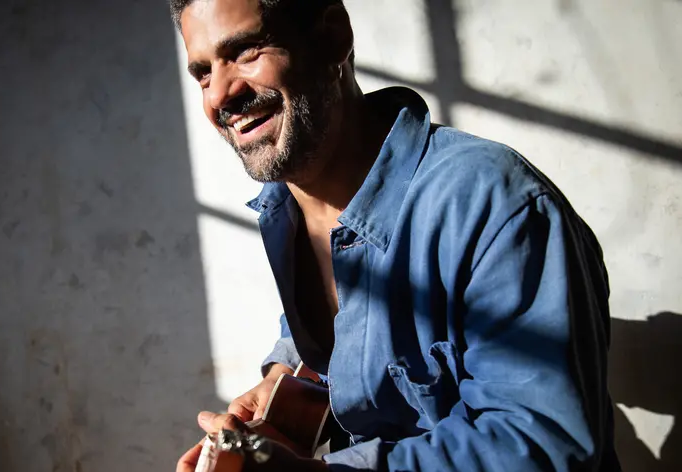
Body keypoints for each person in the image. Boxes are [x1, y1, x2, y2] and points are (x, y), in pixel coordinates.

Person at [171, 0, 620, 470]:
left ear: (332, 37)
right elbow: (349, 335)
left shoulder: (495, 206)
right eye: (203, 74)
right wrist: (287, 387)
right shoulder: (284, 209)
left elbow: (543, 449)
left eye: (246, 52)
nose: (220, 95)